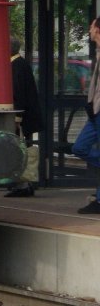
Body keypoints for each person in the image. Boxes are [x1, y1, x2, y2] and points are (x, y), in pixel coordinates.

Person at [6, 36, 42, 197]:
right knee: (22, 147)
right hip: (26, 114)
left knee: (20, 148)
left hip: (21, 116)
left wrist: (17, 117)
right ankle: (24, 183)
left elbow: (18, 93)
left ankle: (23, 184)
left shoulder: (16, 66)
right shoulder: (20, 64)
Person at [72, 17, 100, 214]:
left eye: (91, 27)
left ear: (98, 30)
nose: (89, 31)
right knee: (79, 147)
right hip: (95, 112)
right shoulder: (98, 52)